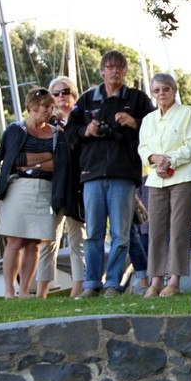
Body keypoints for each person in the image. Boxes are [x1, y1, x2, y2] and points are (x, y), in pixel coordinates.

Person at [66, 51, 154, 298]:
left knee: (121, 233)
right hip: (92, 173)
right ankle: (91, 283)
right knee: (93, 232)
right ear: (102, 71)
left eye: (119, 67)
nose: (114, 71)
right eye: (110, 67)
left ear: (125, 71)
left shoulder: (137, 99)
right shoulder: (86, 100)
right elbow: (69, 132)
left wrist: (134, 123)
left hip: (123, 173)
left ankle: (113, 284)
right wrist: (87, 129)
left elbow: (155, 130)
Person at [0, 88, 70, 299]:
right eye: (46, 107)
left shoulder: (55, 133)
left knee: (34, 243)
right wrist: (44, 159)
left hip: (45, 190)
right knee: (15, 242)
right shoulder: (16, 130)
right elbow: (13, 160)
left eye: (51, 107)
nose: (50, 111)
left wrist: (35, 159)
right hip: (18, 188)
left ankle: (25, 291)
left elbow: (59, 163)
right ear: (33, 107)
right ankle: (9, 291)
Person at [138, 72, 191, 297]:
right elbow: (143, 147)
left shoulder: (187, 113)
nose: (161, 93)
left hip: (183, 177)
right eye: (156, 90)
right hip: (156, 179)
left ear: (174, 90)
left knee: (178, 229)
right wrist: (155, 159)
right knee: (155, 229)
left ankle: (174, 281)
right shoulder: (148, 119)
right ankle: (155, 280)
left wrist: (169, 160)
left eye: (165, 89)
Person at [37, 76, 86, 298]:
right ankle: (42, 291)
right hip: (54, 185)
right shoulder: (47, 125)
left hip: (78, 185)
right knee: (48, 238)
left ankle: (79, 288)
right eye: (55, 93)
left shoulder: (82, 119)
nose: (60, 97)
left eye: (64, 91)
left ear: (73, 93)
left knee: (78, 238)